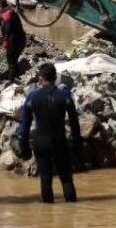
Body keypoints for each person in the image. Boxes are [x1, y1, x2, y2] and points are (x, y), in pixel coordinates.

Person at [18, 63, 82, 203]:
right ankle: (71, 211)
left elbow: (24, 126)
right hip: (60, 141)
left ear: (41, 78)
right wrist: (77, 143)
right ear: (55, 77)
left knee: (46, 179)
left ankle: (48, 215)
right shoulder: (65, 96)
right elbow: (74, 122)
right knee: (66, 178)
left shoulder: (32, 97)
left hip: (41, 142)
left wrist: (24, 147)